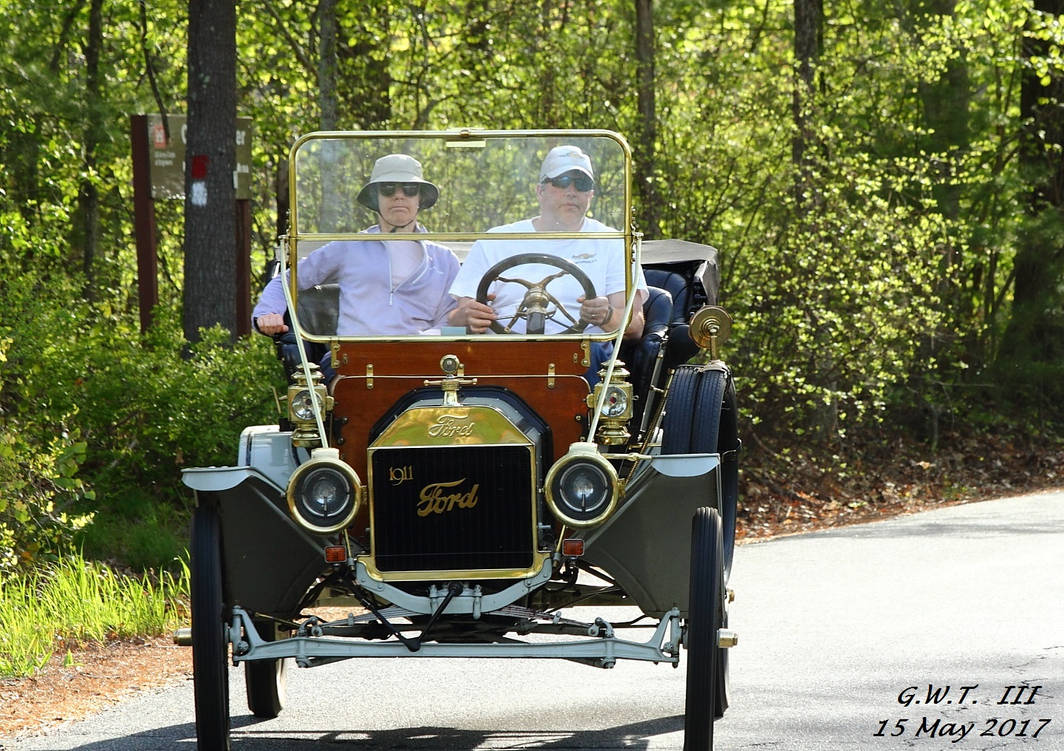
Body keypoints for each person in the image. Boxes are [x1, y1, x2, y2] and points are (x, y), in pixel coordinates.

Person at [448, 145, 647, 380]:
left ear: (590, 195)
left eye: (581, 184)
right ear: (540, 190)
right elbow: (454, 322)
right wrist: (466, 318)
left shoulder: (612, 242)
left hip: (579, 360)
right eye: (561, 181)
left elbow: (635, 326)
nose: (571, 191)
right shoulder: (496, 240)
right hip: (501, 357)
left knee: (594, 351)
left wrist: (606, 315)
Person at [253, 154, 460, 342]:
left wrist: (417, 342)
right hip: (353, 361)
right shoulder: (349, 247)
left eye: (409, 188)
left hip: (420, 363)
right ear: (375, 198)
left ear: (420, 198)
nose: (399, 195)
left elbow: (452, 318)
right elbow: (286, 280)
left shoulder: (444, 260)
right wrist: (268, 313)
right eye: (388, 189)